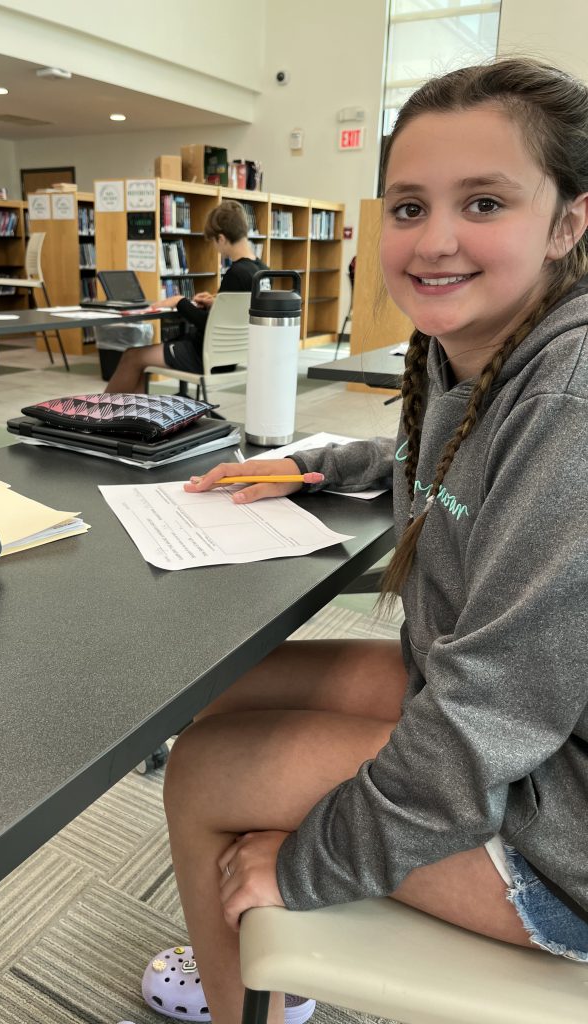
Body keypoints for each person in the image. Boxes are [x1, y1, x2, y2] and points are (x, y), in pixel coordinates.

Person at [163, 56, 588, 1024]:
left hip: (563, 828)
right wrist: (326, 465)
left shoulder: (570, 397)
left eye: (484, 203)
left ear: (570, 219)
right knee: (217, 695)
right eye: (408, 207)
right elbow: (476, 473)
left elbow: (493, 717)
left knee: (204, 768)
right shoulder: (483, 349)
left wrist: (311, 864)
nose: (435, 240)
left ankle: (243, 993)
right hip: (532, 730)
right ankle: (233, 950)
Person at [103, 200, 267, 394]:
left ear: (221, 238)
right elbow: (239, 314)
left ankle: (102, 412)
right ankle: (134, 414)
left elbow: (208, 324)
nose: (216, 249)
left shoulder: (236, 272)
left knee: (132, 357)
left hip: (202, 355)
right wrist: (216, 304)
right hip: (229, 356)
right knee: (139, 358)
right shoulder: (261, 271)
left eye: (214, 243)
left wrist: (179, 301)